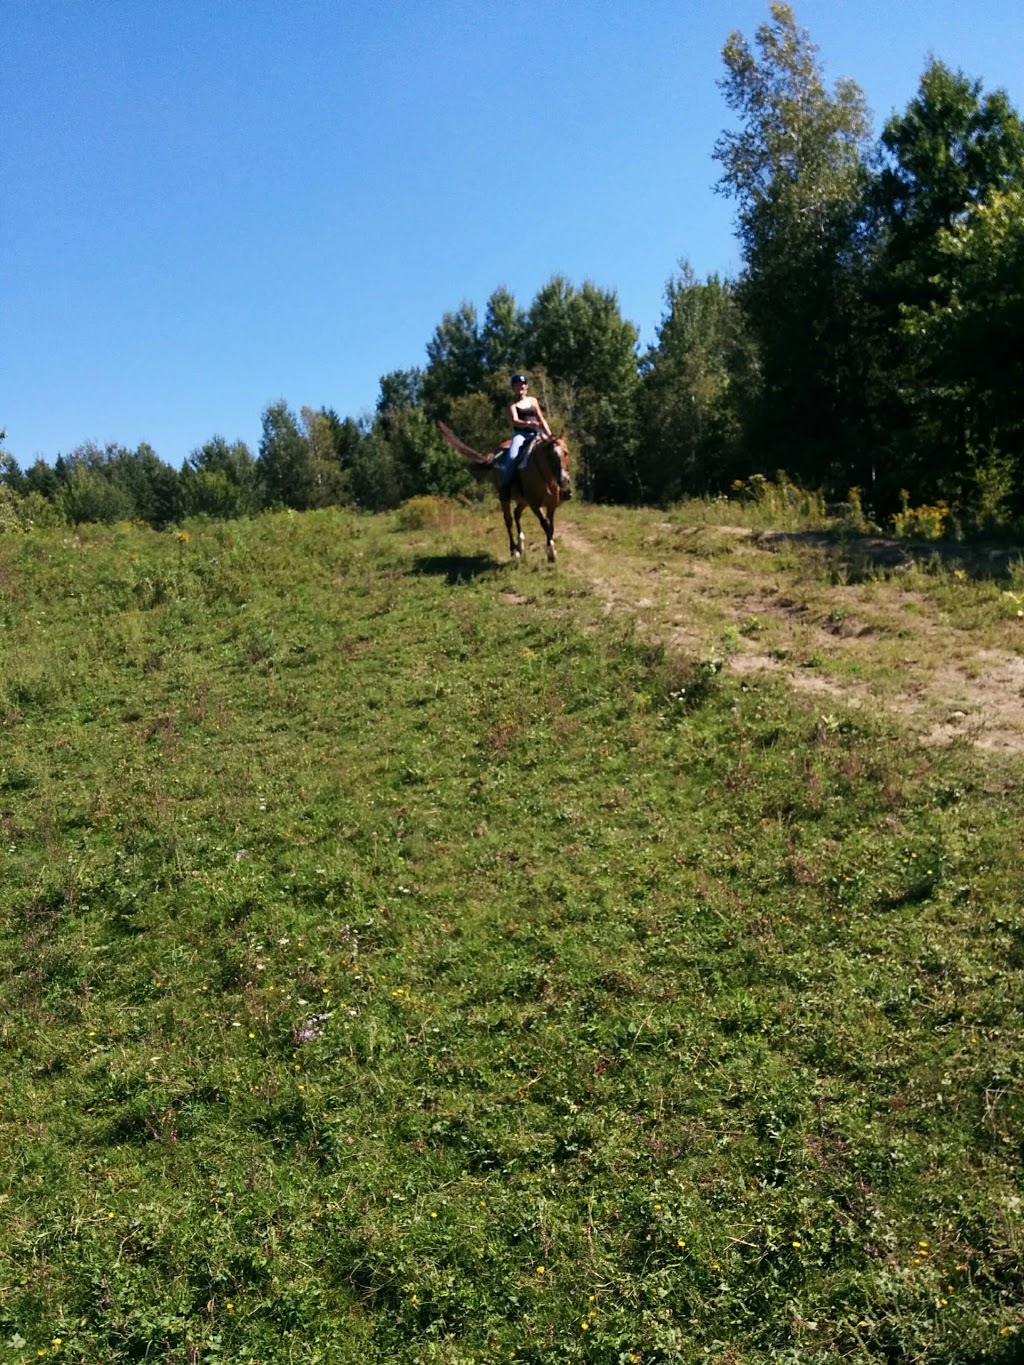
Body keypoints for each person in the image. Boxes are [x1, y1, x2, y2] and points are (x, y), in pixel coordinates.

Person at [499, 373, 552, 498]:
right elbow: (515, 420)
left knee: (555, 452)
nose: (520, 387)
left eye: (522, 385)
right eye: (517, 385)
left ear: (526, 387)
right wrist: (528, 423)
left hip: (537, 433)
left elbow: (541, 418)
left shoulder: (533, 400)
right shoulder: (512, 404)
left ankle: (561, 485)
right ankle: (505, 487)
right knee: (512, 456)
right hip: (521, 434)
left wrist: (550, 436)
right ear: (513, 388)